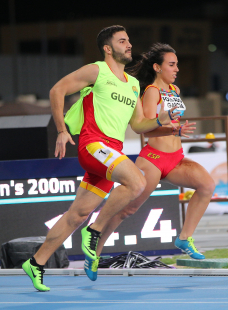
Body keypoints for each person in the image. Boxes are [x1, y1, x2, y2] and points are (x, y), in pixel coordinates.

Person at [22, 25, 186, 292]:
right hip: (93, 145)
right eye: (122, 41)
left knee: (77, 215)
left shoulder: (133, 85)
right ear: (108, 49)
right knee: (137, 182)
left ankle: (36, 263)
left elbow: (138, 125)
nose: (129, 45)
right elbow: (56, 90)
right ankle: (95, 231)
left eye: (129, 40)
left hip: (111, 153)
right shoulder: (96, 71)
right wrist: (62, 130)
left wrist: (162, 121)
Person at [89, 43, 215, 281]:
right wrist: (170, 129)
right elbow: (145, 130)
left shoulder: (174, 90)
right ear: (157, 67)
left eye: (177, 64)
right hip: (154, 160)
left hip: (176, 159)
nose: (176, 69)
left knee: (207, 185)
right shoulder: (151, 92)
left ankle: (184, 238)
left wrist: (177, 130)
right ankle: (94, 251)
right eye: (171, 64)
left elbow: (170, 125)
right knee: (128, 208)